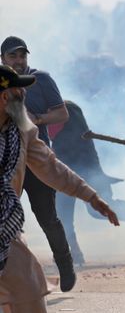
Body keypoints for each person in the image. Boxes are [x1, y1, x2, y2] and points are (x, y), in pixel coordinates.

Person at [0, 64, 119, 313]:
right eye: (18, 90)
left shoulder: (22, 130)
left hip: (4, 230)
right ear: (4, 97)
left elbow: (50, 167)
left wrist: (90, 195)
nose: (24, 94)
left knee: (28, 291)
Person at [1, 36, 78, 291]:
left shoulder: (41, 79)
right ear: (3, 59)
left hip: (36, 160)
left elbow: (62, 113)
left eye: (22, 56)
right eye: (13, 56)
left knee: (47, 217)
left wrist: (38, 118)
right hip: (7, 163)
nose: (19, 61)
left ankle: (65, 264)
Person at [50, 101, 125, 265]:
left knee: (98, 210)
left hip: (86, 168)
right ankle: (74, 253)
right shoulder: (48, 112)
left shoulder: (67, 109)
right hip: (62, 170)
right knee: (62, 215)